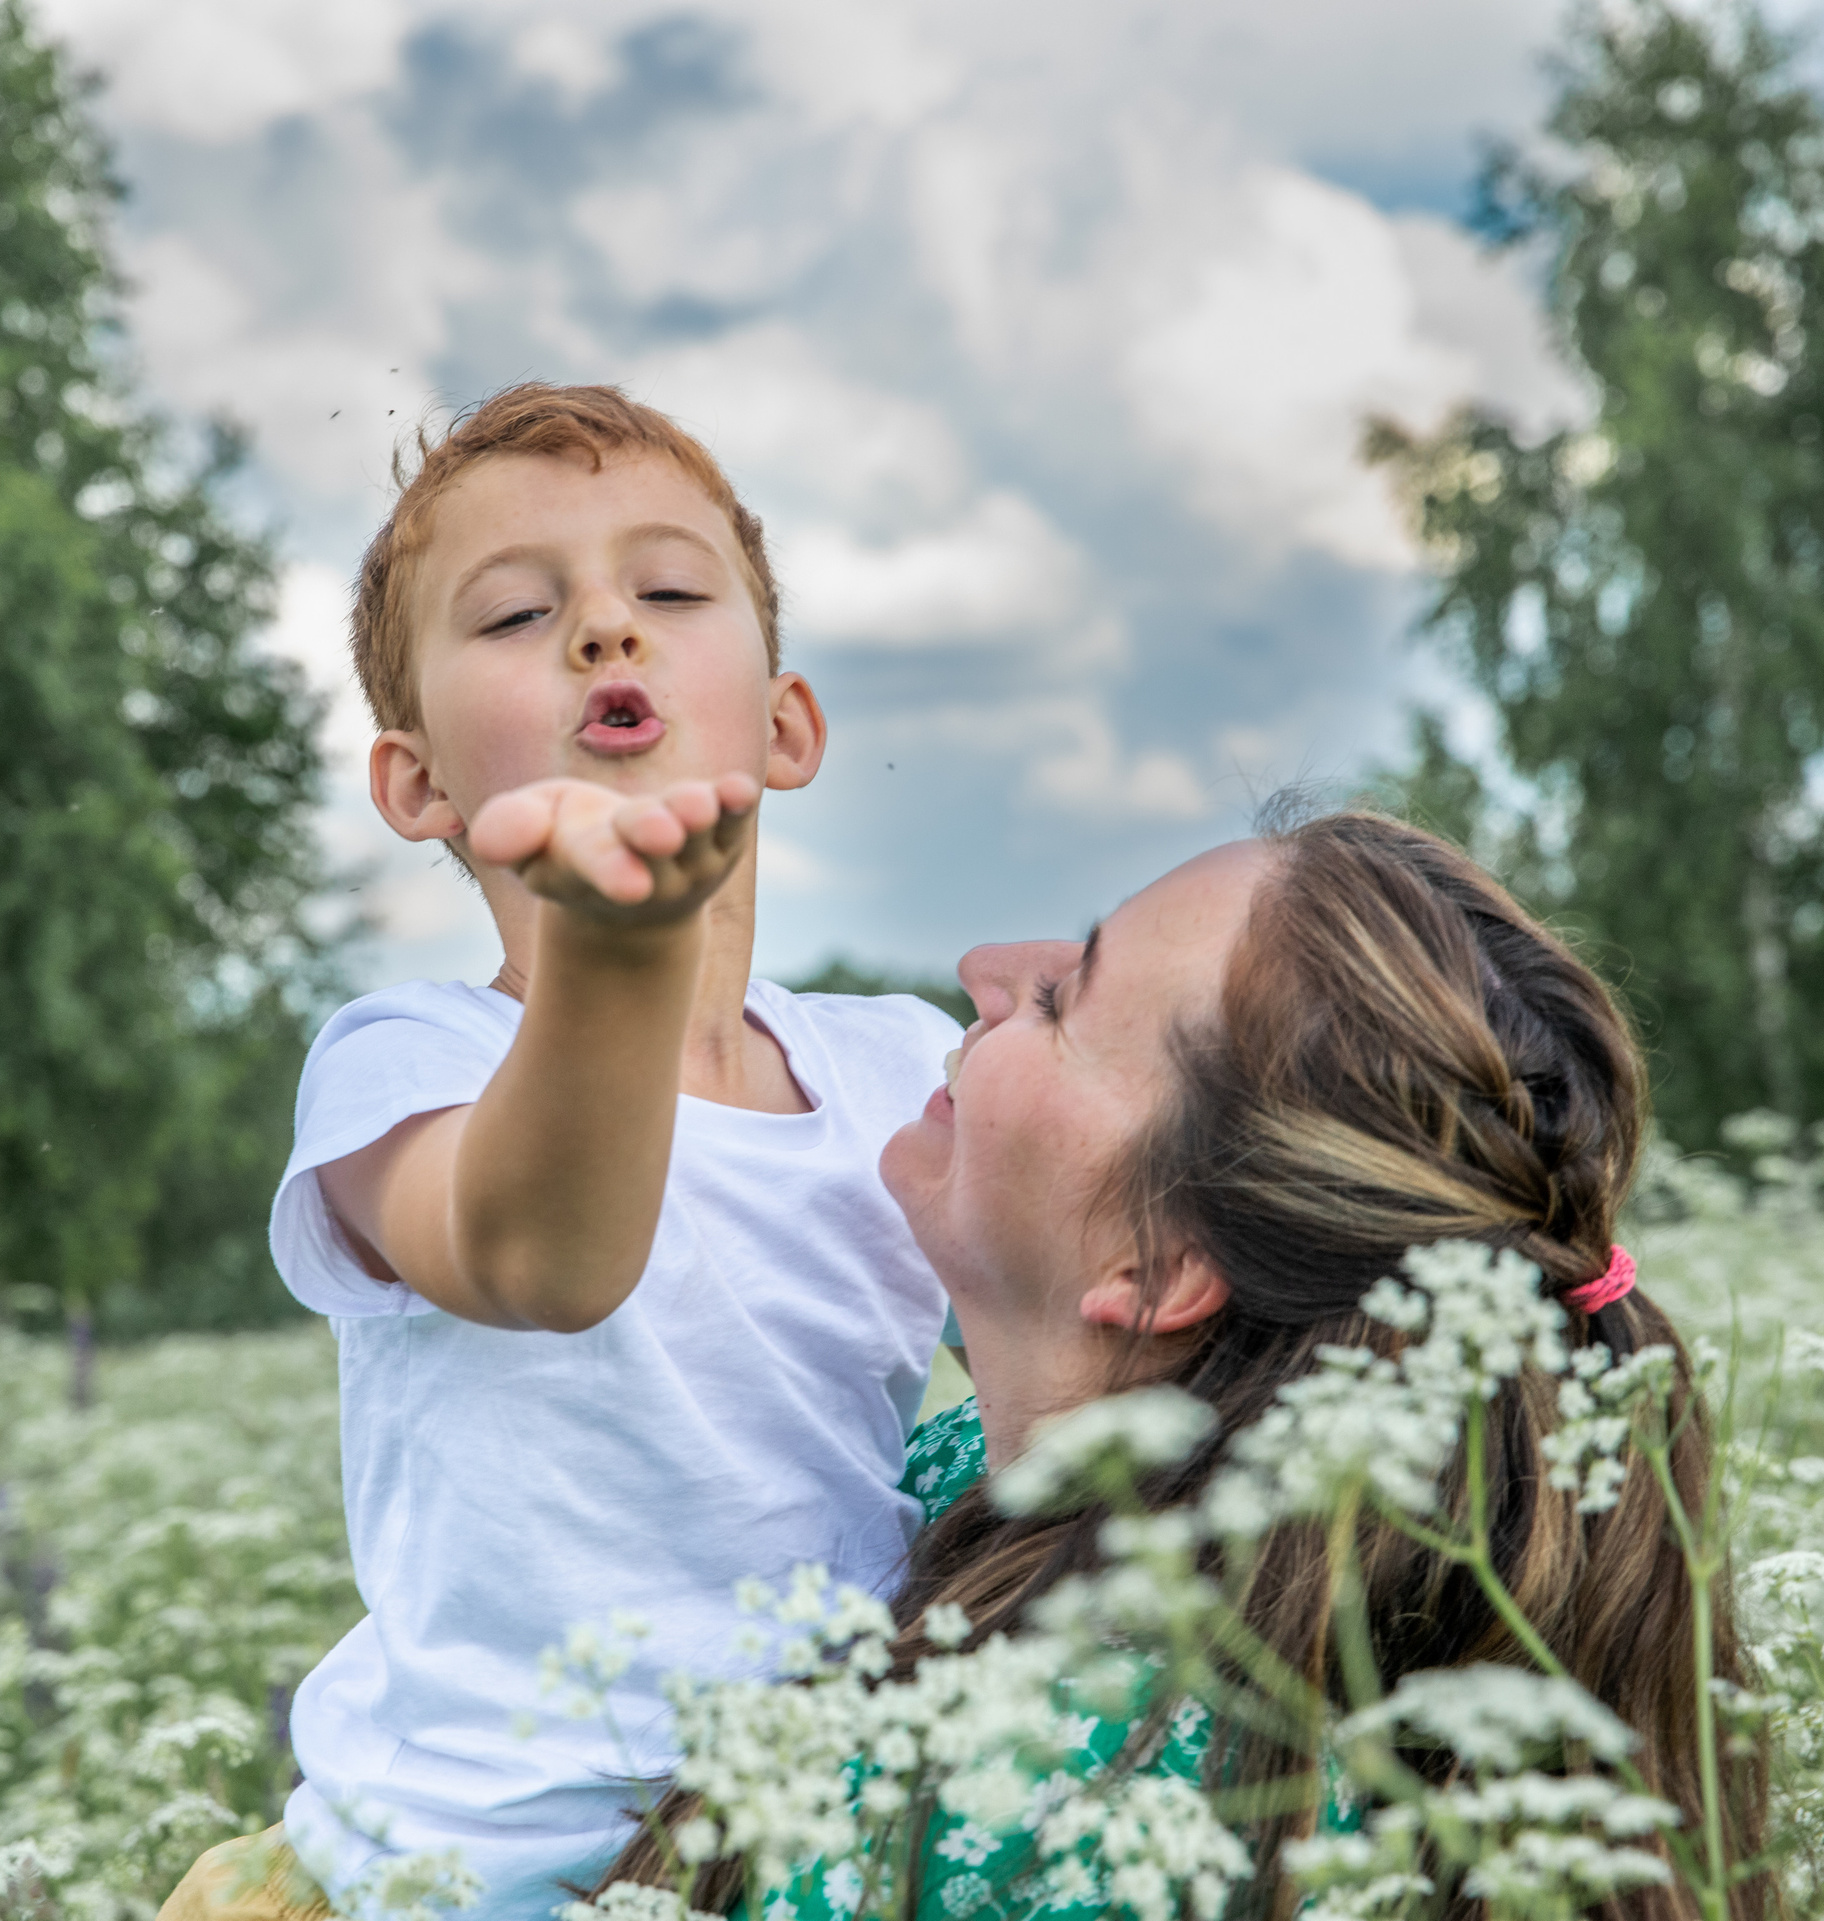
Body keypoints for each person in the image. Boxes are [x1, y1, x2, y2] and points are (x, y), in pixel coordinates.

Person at [607, 810, 1766, 1921]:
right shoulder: (1000, 1480)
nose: (984, 965)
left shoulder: (1062, 1810)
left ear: (1154, 1265)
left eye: (1063, 1001)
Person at [158, 385, 959, 1921]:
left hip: (801, 1858)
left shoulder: (898, 1068)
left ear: (787, 726)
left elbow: (1089, 1363)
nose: (606, 627)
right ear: (419, 785)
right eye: (519, 614)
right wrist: (620, 951)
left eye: (667, 590)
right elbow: (542, 1259)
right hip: (433, 1883)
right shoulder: (403, 1064)